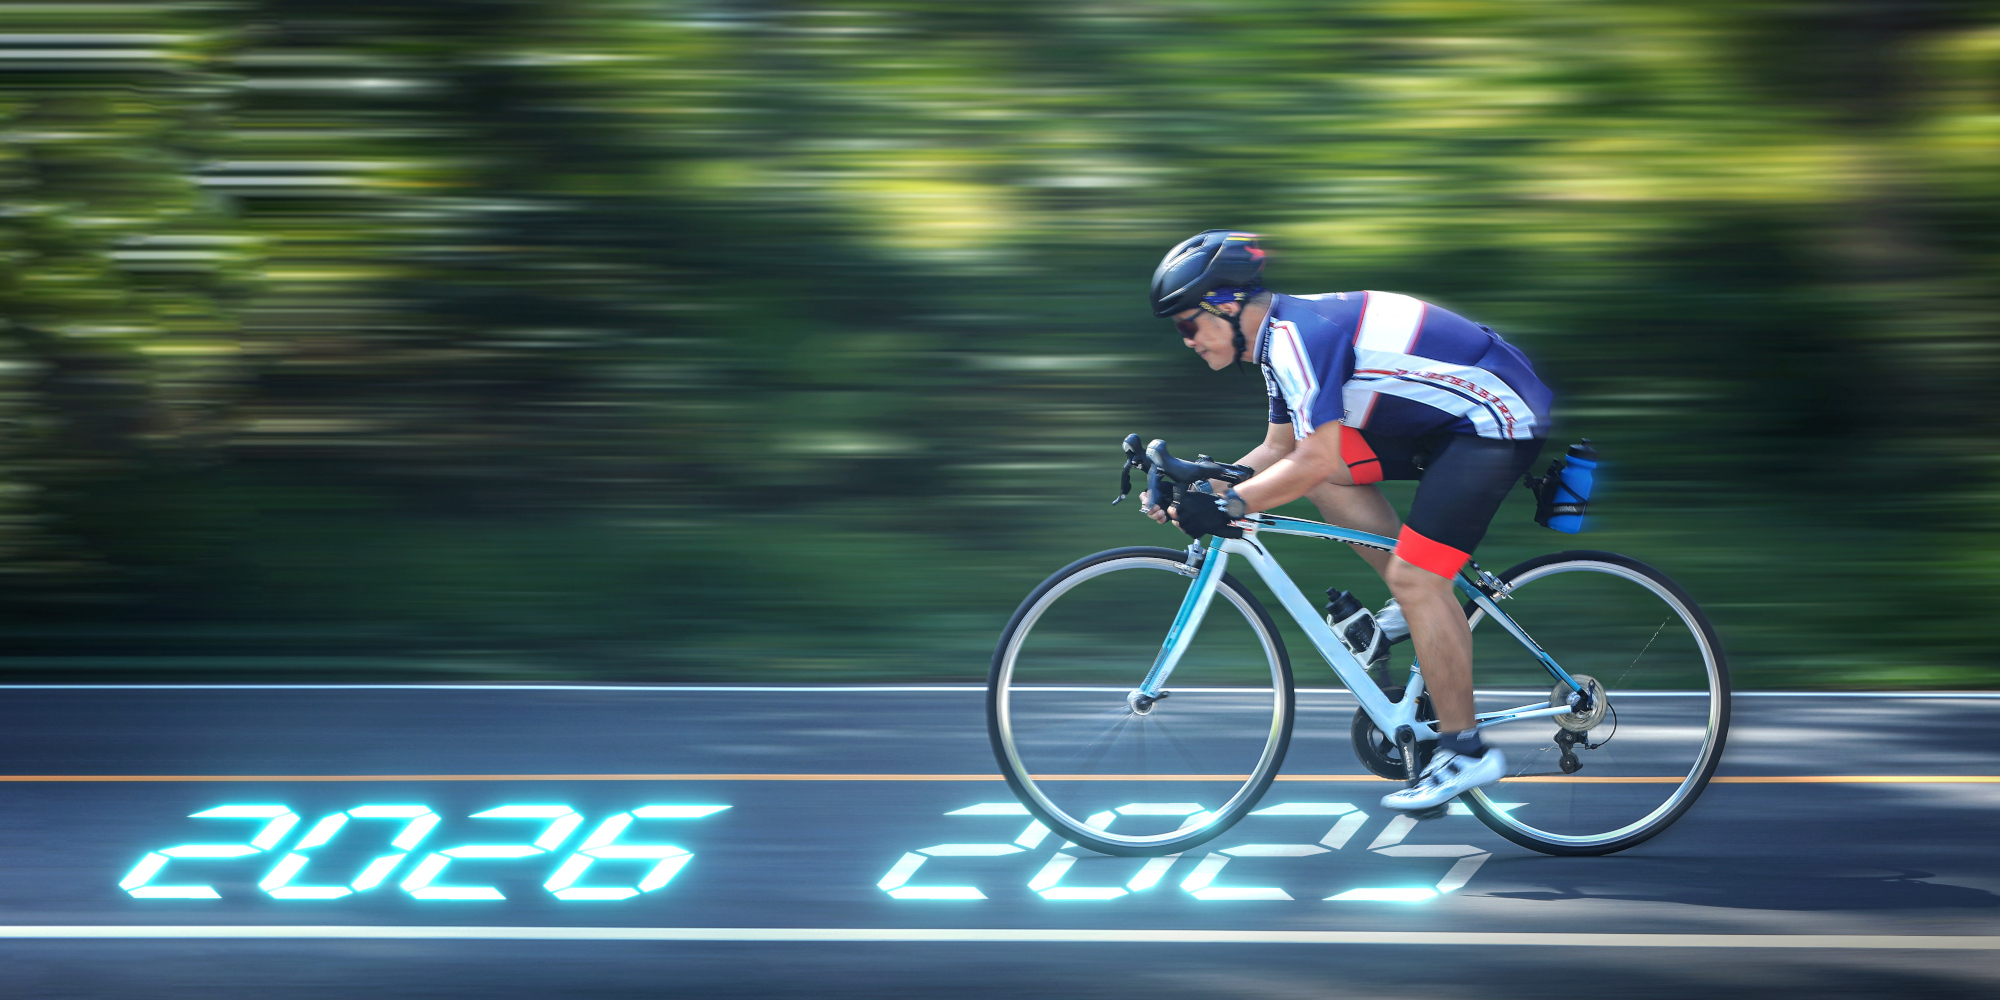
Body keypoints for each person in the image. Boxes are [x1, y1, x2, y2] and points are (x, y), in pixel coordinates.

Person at [1143, 230, 1553, 812]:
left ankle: (1466, 753)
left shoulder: (1298, 340)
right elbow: (1281, 450)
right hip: (1446, 420)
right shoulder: (1277, 344)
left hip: (1493, 418)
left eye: (1188, 324)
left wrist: (1231, 505)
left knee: (1417, 576)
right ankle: (1415, 602)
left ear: (1226, 305)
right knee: (1339, 495)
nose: (1186, 341)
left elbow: (1311, 459)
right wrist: (1197, 489)